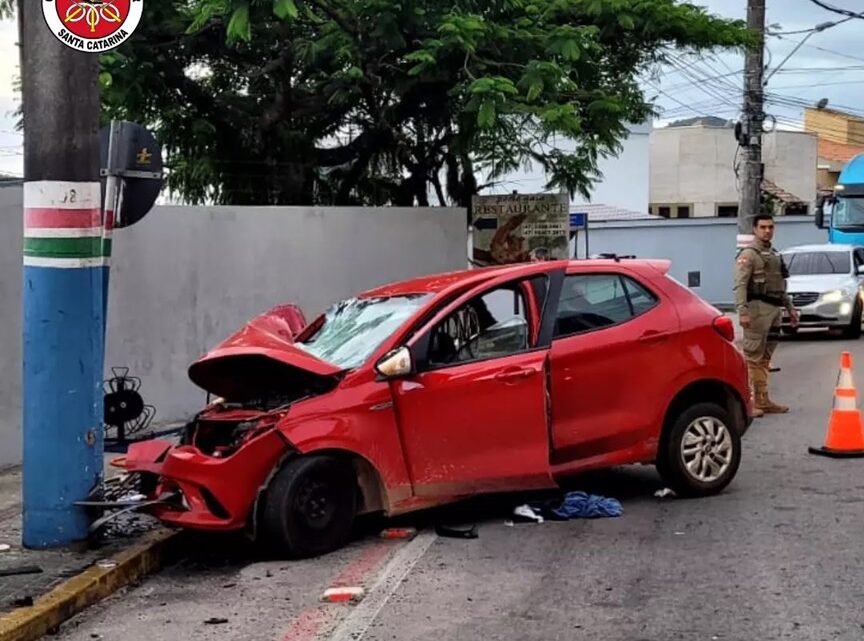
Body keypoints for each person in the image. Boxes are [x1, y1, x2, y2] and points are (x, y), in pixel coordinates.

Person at [734, 213, 799, 416]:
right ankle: (751, 401)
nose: (767, 231)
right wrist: (743, 312)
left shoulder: (774, 254)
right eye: (763, 227)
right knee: (753, 357)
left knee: (765, 357)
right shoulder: (749, 255)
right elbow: (740, 285)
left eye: (770, 227)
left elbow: (780, 286)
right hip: (757, 310)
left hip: (774, 309)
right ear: (755, 229)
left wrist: (790, 308)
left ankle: (763, 399)